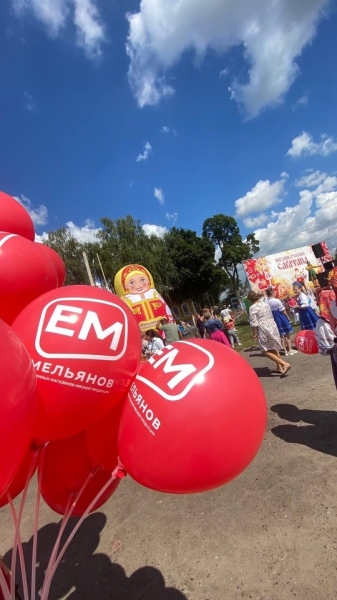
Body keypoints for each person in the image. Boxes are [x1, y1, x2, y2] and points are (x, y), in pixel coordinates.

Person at [248, 291, 291, 377]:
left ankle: (284, 364)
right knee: (273, 347)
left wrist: (254, 333)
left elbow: (254, 323)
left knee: (264, 351)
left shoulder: (252, 308)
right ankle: (279, 368)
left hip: (263, 328)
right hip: (272, 325)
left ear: (250, 300)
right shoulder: (265, 304)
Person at [266, 288, 296, 356]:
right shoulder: (277, 300)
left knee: (280, 335)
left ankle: (285, 350)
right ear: (273, 292)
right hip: (280, 316)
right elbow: (283, 310)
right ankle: (290, 349)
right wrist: (287, 317)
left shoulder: (266, 302)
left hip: (273, 318)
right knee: (286, 333)